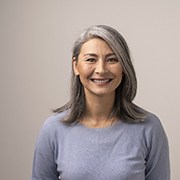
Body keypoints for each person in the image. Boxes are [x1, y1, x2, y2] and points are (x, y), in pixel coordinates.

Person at [31, 25, 170, 180]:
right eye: (91, 59)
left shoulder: (150, 127)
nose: (101, 69)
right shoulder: (53, 129)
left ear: (124, 66)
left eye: (112, 59)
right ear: (75, 65)